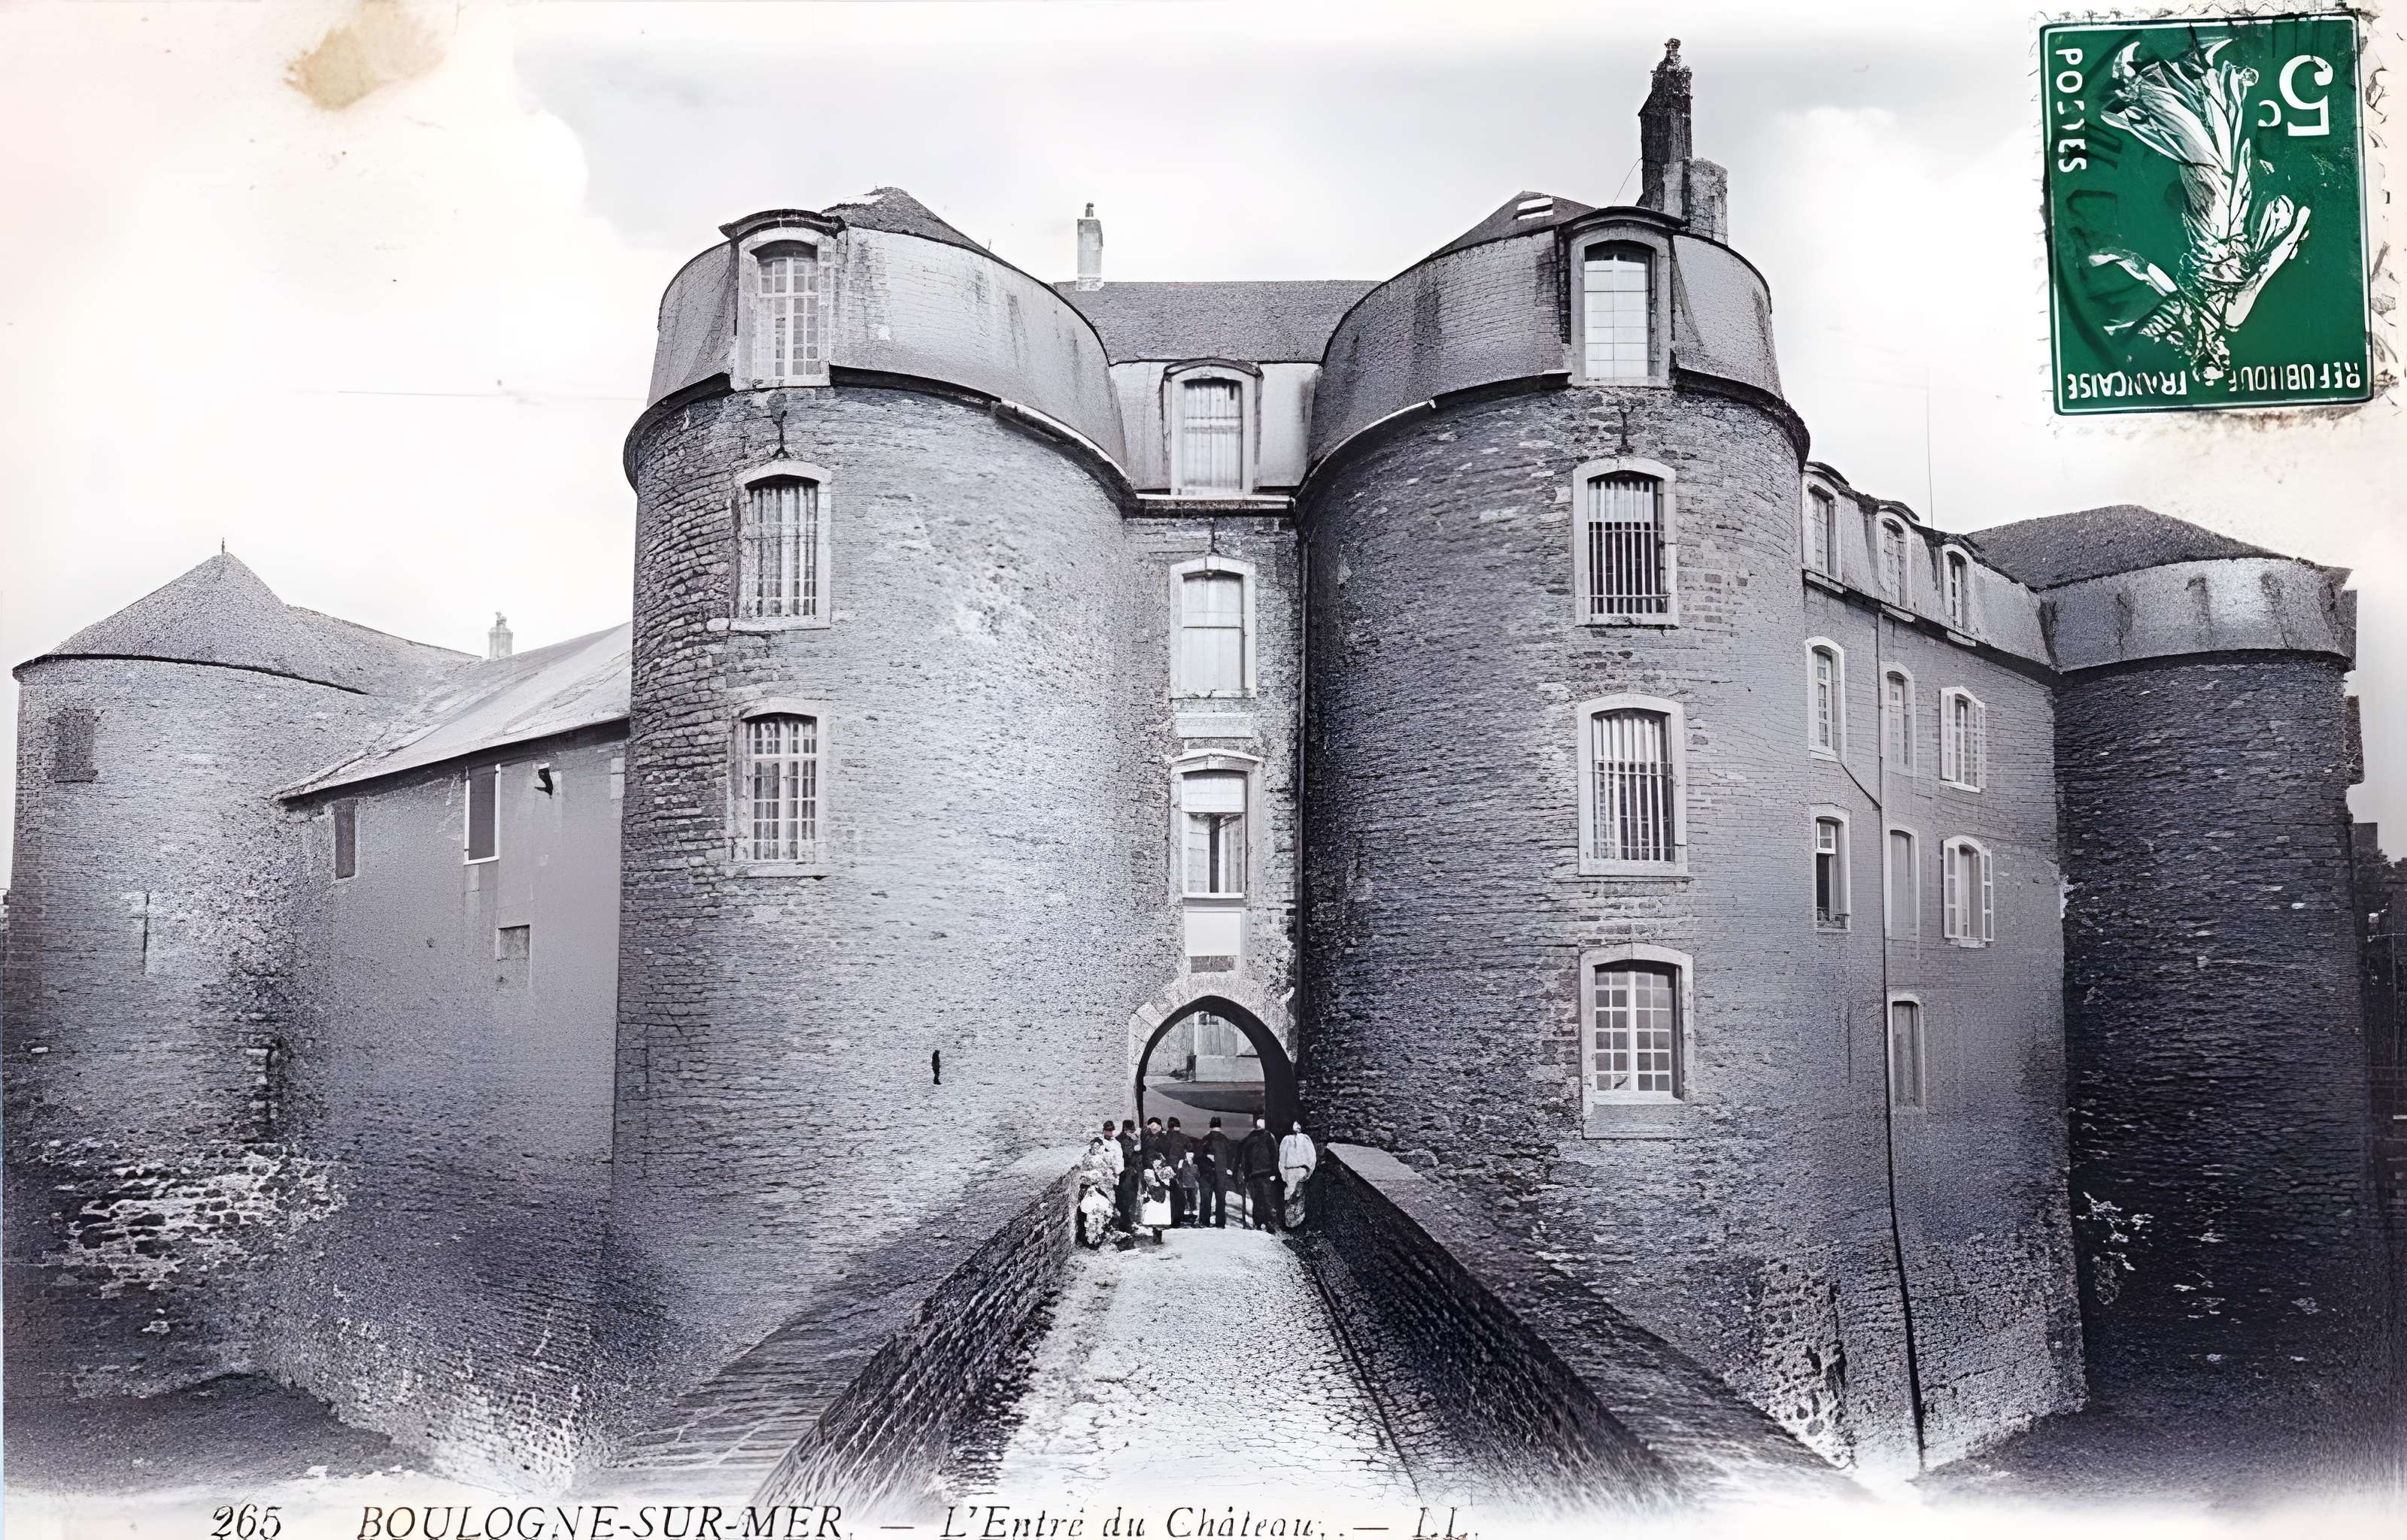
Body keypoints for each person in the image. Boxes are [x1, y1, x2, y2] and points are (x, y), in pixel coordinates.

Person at [1237, 1114, 1282, 1232]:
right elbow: (1245, 1157)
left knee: (1267, 1199)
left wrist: (1273, 1172)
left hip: (1266, 1173)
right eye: (1258, 1122)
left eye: (1262, 1122)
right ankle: (1259, 1223)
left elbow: (1274, 1155)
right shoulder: (1250, 1138)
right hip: (1253, 1174)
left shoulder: (1268, 1137)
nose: (1260, 1124)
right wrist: (1246, 1174)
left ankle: (1270, 1224)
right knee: (1256, 1199)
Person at [1279, 1120, 1319, 1229]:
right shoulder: (1287, 1139)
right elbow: (1282, 1157)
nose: (1296, 1126)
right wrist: (1283, 1172)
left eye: (1298, 1124)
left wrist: (1310, 1171)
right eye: (1294, 1124)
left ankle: (1298, 1223)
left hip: (1302, 1170)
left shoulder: (1306, 1139)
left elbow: (1311, 1155)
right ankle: (1289, 1223)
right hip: (1290, 1171)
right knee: (1289, 1195)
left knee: (1299, 1195)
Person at [1197, 1116, 1232, 1228]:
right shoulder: (1225, 1139)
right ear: (1220, 1126)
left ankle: (1204, 1221)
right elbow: (1231, 1156)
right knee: (1221, 1198)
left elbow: (1198, 1156)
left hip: (1206, 1173)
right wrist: (1228, 1169)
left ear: (1210, 1125)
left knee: (1206, 1198)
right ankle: (1220, 1223)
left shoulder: (1206, 1139)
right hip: (1221, 1172)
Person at [1163, 1117, 1195, 1226]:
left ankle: (1173, 1219)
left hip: (1168, 1168)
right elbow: (1190, 1149)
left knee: (1172, 1195)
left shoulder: (1165, 1137)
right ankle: (1178, 1218)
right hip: (1180, 1167)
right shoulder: (1183, 1138)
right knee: (1181, 1194)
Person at [1138, 1154, 1173, 1240]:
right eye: (1158, 1160)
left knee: (1159, 1217)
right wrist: (1161, 1183)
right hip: (1154, 1195)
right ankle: (1156, 1236)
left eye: (1160, 1161)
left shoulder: (1159, 1170)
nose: (1159, 1162)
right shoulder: (1149, 1171)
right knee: (1155, 1217)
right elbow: (1152, 1184)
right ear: (1153, 1161)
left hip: (1160, 1195)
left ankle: (1158, 1235)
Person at [1113, 1120, 1141, 1232]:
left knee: (1132, 1196)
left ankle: (1129, 1222)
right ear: (1125, 1130)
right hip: (1125, 1173)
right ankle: (1126, 1224)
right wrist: (1135, 1146)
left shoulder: (1132, 1139)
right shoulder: (1120, 1140)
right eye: (1130, 1130)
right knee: (1126, 1198)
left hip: (1133, 1172)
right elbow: (1127, 1155)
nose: (1131, 1132)